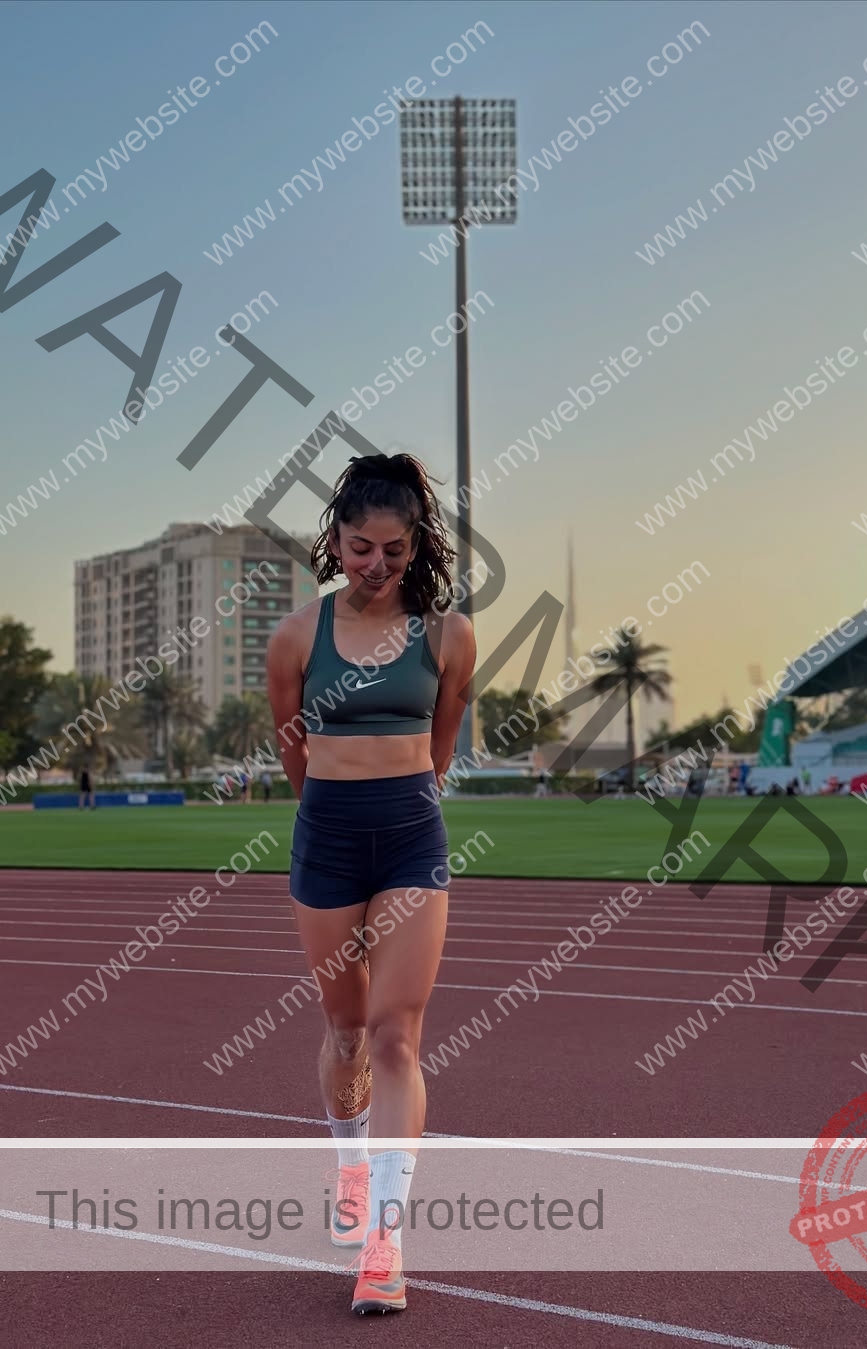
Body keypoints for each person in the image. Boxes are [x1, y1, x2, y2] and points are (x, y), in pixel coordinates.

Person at [265, 454, 475, 1317]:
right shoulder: (295, 637)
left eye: (393, 548)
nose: (376, 564)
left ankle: (384, 1243)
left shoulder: (448, 634)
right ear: (336, 541)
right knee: (347, 1031)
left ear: (415, 542)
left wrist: (403, 801)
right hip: (328, 839)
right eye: (359, 547)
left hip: (412, 838)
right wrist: (332, 812)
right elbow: (290, 747)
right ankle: (349, 1165)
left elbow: (442, 740)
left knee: (396, 1036)